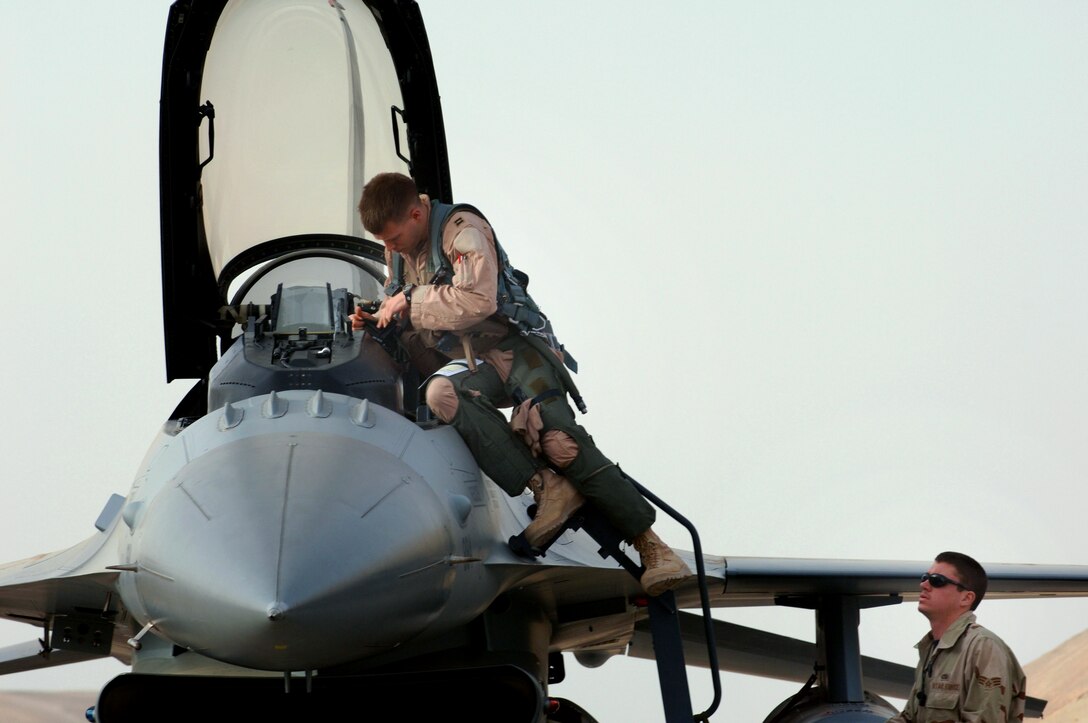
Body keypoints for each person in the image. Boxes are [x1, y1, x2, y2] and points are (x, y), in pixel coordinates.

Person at [352, 172, 690, 596]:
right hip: (472, 359)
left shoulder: (462, 231)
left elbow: (478, 301)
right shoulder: (399, 252)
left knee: (559, 442)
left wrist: (411, 301)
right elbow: (404, 302)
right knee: (442, 393)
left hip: (517, 348)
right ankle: (547, 488)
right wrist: (379, 317)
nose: (392, 247)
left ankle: (654, 548)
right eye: (385, 241)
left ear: (417, 214)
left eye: (395, 237)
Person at [888, 551, 1026, 722]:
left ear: (966, 598)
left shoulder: (983, 647)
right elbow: (910, 718)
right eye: (925, 577)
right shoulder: (931, 648)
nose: (924, 584)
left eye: (937, 580)